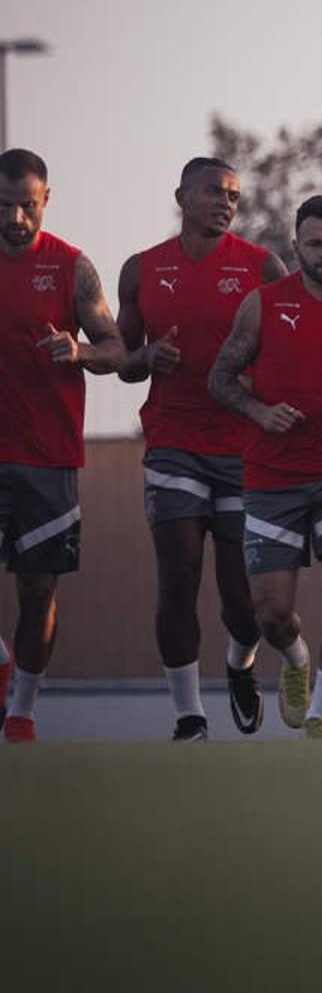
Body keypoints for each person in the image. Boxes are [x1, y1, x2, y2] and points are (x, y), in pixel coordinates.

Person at [117, 156, 284, 741]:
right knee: (178, 576)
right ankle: (189, 715)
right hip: (173, 444)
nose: (226, 202)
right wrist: (145, 358)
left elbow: (288, 352)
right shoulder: (141, 270)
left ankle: (240, 664)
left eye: (234, 195)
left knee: (243, 600)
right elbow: (124, 363)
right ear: (182, 195)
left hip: (242, 448)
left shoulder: (263, 268)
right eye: (214, 190)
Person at [207, 196, 322, 738]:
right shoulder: (262, 304)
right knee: (272, 615)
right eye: (314, 243)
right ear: (296, 246)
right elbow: (220, 379)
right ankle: (297, 660)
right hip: (272, 479)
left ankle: (319, 720)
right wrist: (259, 411)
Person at [0, 149, 126, 743]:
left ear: (46, 199)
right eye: (7, 206)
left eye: (28, 206)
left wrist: (80, 352)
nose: (18, 218)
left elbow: (117, 348)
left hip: (48, 456)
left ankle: (22, 710)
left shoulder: (72, 268)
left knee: (37, 588)